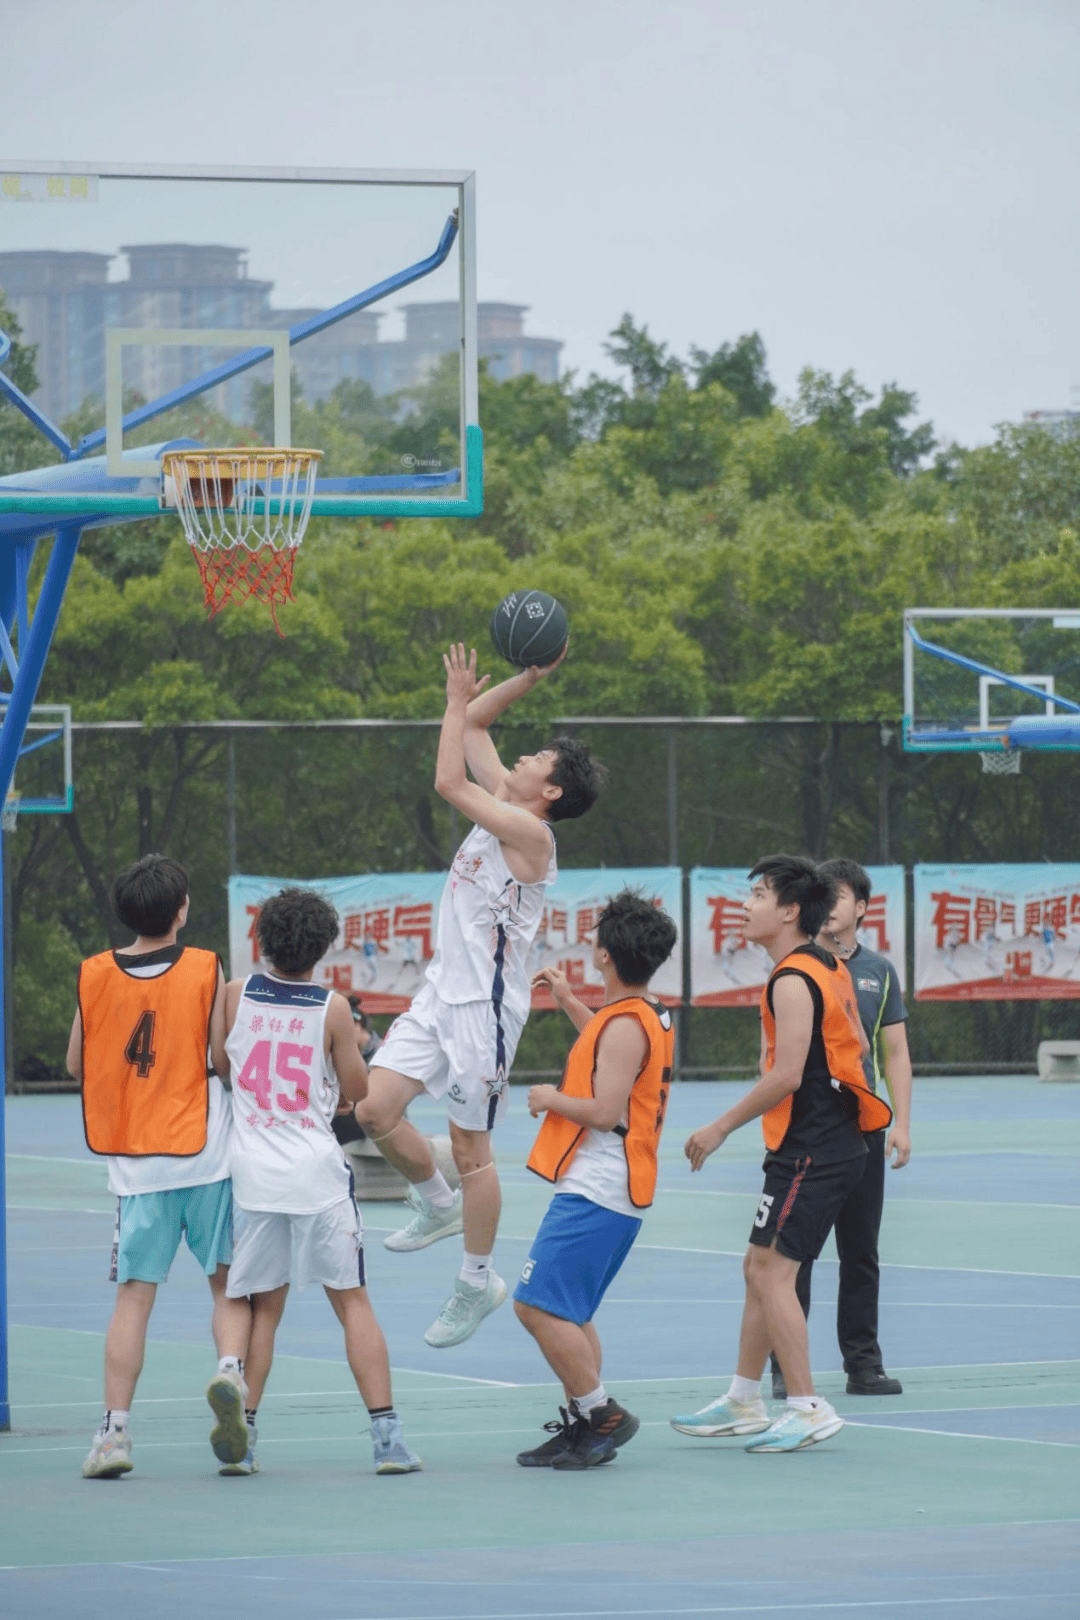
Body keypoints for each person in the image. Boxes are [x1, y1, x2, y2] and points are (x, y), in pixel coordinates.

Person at [355, 642, 604, 1350]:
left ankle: (476, 1281)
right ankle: (438, 1205)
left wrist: (453, 698)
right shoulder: (507, 800)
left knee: (471, 1146)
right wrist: (527, 677)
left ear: (549, 792)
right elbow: (472, 730)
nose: (523, 757)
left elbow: (447, 778)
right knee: (373, 1109)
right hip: (442, 993)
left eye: (538, 760)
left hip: (485, 1011)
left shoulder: (529, 832)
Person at [670, 854, 892, 1455]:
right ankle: (744, 1398)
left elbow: (787, 1075)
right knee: (758, 1267)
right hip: (817, 1143)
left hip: (815, 1148)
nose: (746, 906)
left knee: (773, 1272)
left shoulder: (793, 978)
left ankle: (806, 1405)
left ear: (791, 911)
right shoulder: (826, 965)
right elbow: (842, 1049)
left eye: (759, 895)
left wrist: (719, 1127)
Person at [207, 887, 421, 1476]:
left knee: (263, 1309)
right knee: (352, 1301)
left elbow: (222, 1066)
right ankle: (388, 1439)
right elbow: (357, 1089)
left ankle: (246, 1435)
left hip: (253, 1174)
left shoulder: (234, 994)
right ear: (324, 948)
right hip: (316, 1173)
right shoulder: (331, 1009)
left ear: (261, 942)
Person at [68, 853, 236, 1481]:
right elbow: (220, 1057)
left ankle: (113, 1433)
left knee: (133, 1299)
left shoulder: (94, 974)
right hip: (206, 1154)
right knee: (228, 1287)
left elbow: (76, 1064)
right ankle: (231, 1375)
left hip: (138, 1166)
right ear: (181, 910)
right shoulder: (205, 967)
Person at [514, 890, 677, 1469]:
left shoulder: (627, 1024)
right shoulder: (638, 1014)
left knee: (534, 1306)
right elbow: (608, 1050)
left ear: (605, 955)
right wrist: (567, 1001)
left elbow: (605, 1111)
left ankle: (601, 1412)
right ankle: (586, 1429)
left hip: (600, 1185)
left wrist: (550, 1097)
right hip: (611, 1187)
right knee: (572, 1313)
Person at [768, 857, 912, 1400]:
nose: (829, 905)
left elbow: (894, 1052)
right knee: (795, 1252)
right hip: (810, 1128)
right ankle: (784, 1365)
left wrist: (902, 1123)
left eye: (840, 896)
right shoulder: (800, 967)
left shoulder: (879, 971)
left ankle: (863, 1364)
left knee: (861, 1251)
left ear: (862, 907)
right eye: (823, 895)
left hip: (863, 1127)